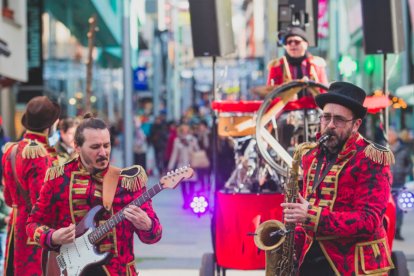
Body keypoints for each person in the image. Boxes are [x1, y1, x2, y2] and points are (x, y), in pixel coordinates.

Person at [26, 114, 162, 275]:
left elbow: (154, 236)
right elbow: (32, 224)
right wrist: (52, 237)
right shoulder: (58, 179)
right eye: (95, 147)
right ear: (77, 146)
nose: (103, 152)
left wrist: (147, 225)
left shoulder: (127, 181)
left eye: (107, 145)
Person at [281, 82, 395, 275]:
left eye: (339, 119)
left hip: (354, 266)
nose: (330, 125)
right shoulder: (311, 156)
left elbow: (368, 221)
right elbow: (304, 214)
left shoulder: (372, 158)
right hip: (313, 259)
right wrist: (293, 244)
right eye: (326, 117)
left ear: (356, 124)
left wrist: (311, 216)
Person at [1, 96, 60, 275]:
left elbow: (10, 201)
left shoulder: (10, 150)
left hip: (16, 226)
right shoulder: (39, 155)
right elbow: (42, 205)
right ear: (49, 126)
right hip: (36, 233)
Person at [388, 127, 413, 240]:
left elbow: (410, 165)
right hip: (387, 184)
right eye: (388, 135)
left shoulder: (404, 149)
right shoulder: (385, 148)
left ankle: (397, 231)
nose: (389, 137)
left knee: (400, 209)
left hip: (400, 183)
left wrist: (404, 172)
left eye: (391, 135)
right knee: (389, 208)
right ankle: (389, 229)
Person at [168, 123, 199, 209]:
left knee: (192, 185)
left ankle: (190, 200)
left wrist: (192, 143)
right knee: (184, 185)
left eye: (187, 129)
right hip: (181, 166)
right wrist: (170, 166)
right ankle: (186, 202)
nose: (185, 131)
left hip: (192, 165)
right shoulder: (177, 140)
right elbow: (174, 154)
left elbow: (197, 151)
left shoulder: (193, 139)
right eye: (183, 129)